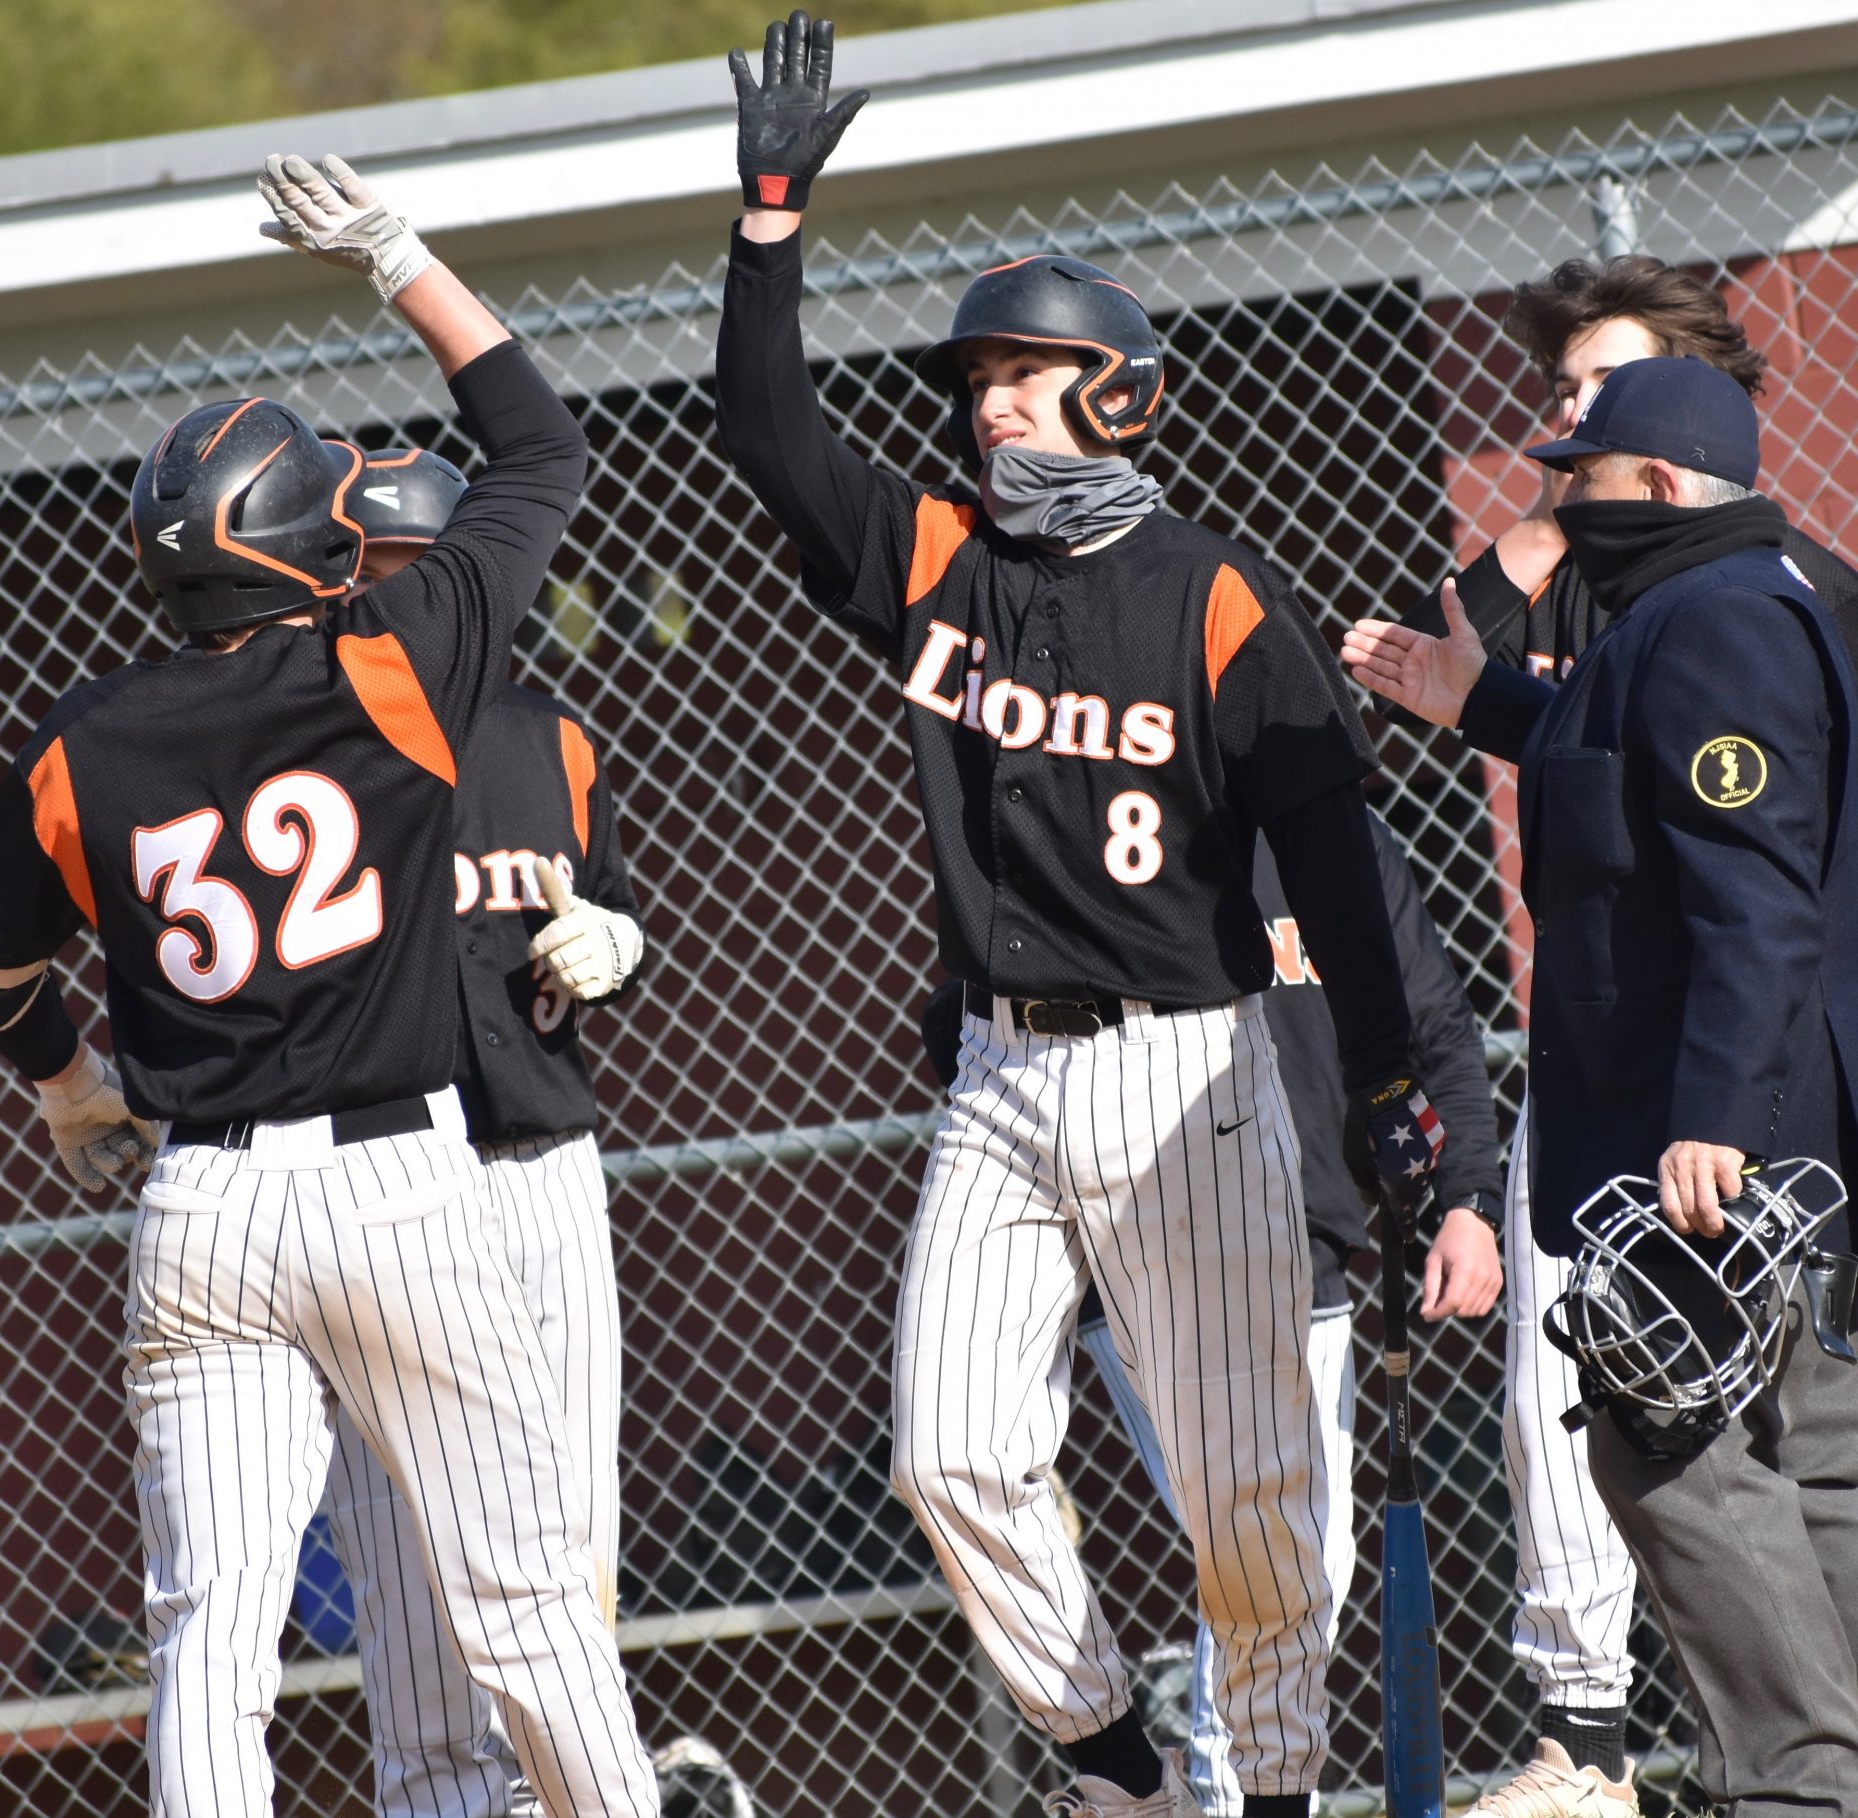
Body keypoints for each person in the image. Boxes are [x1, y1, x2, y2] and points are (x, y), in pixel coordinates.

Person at [716, 17, 1445, 1815]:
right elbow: (762, 427)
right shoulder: (939, 558)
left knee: (1249, 1495)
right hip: (997, 1074)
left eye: (1033, 377)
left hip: (1187, 1083)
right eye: (981, 378)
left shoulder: (1205, 595)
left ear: (1120, 393)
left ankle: (1267, 1788)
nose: (993, 403)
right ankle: (1113, 1757)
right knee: (947, 1453)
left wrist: (1390, 1097)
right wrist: (767, 217)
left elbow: (1341, 865)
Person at [0, 152, 660, 1818]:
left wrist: (64, 1082)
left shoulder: (83, 737)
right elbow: (543, 446)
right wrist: (395, 252)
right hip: (404, 1183)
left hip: (201, 1207)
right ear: (302, 541)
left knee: (206, 1634)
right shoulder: (388, 672)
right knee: (530, 1601)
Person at [1343, 354, 1858, 1813]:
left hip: (1720, 1133)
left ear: (1653, 485)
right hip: (1777, 1125)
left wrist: (1709, 1113)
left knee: (1667, 1441)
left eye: (1580, 478)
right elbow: (1632, 777)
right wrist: (1484, 701)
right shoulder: (1714, 609)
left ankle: (1804, 1783)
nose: (1560, 501)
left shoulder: (1718, 621)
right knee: (1811, 1448)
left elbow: (1755, 900)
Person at [923, 805, 1506, 1816]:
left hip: (1300, 1245)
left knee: (1266, 1564)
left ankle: (1206, 1793)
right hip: (1128, 1256)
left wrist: (1464, 1199)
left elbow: (1432, 1023)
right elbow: (961, 1016)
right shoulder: (1110, 821)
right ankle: (1176, 1782)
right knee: (1258, 1558)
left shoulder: (1335, 834)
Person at [281, 445, 650, 1818]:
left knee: (567, 1548)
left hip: (545, 1171)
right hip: (387, 1180)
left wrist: (613, 940)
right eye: (359, 578)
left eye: (408, 576)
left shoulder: (547, 735)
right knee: (409, 1572)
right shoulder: (308, 754)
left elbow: (610, 906)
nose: (382, 604)